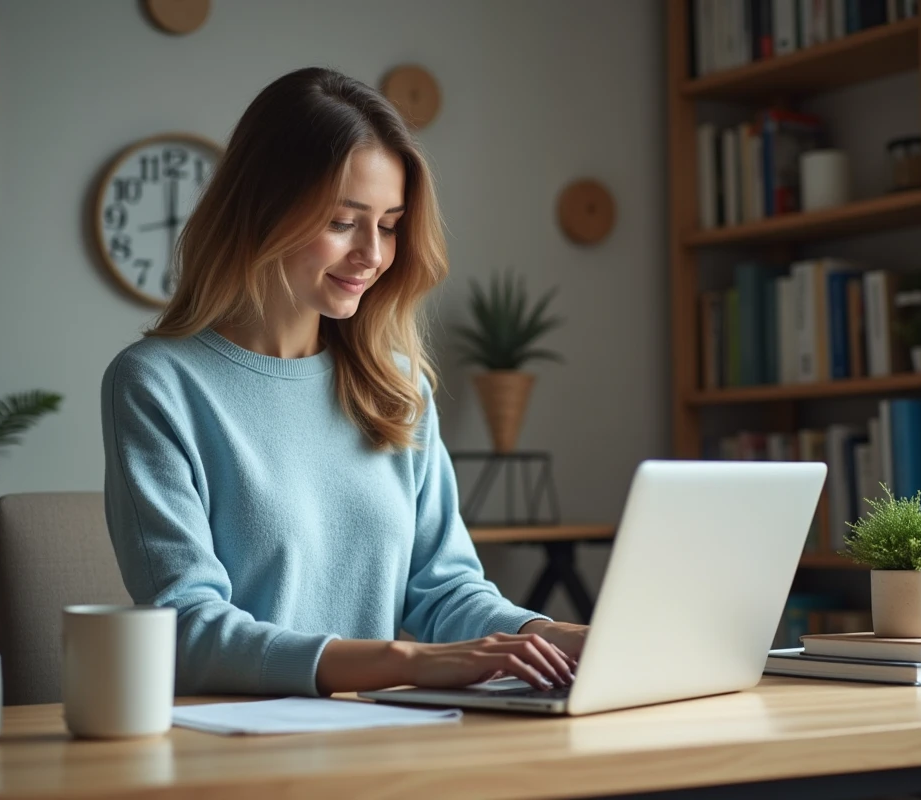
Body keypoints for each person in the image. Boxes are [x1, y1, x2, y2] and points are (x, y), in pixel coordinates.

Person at [101, 67, 587, 698]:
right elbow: (187, 628)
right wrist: (405, 662)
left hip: (384, 739)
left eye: (388, 225)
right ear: (262, 209)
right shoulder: (157, 384)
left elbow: (445, 592)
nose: (374, 255)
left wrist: (561, 637)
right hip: (233, 749)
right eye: (343, 221)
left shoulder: (398, 386)